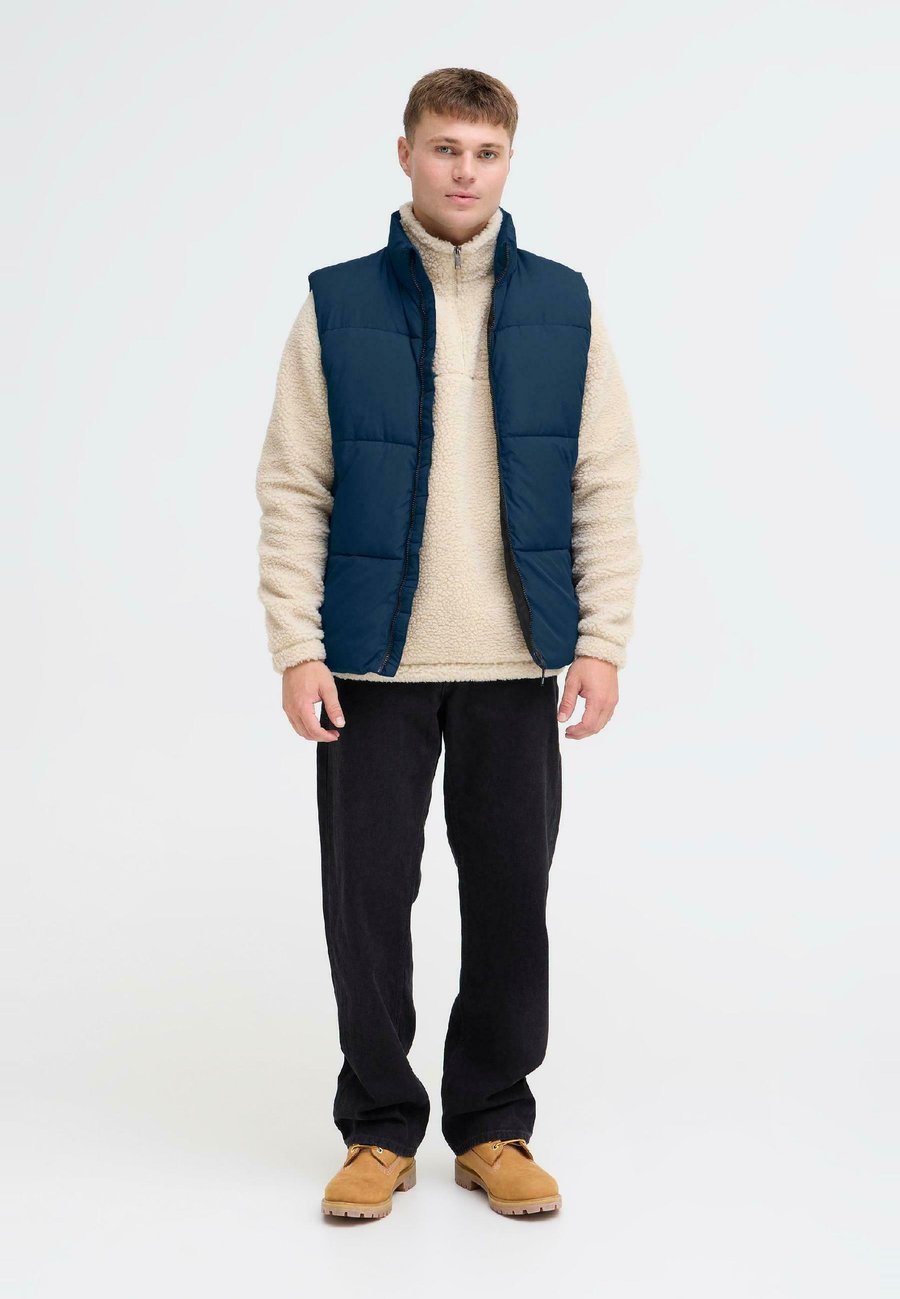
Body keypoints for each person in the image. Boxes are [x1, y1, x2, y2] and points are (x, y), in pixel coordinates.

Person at [255, 67, 642, 1219]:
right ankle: (379, 1129)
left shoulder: (565, 304)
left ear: (508, 160)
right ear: (406, 154)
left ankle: (492, 1125)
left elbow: (603, 483)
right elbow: (294, 483)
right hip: (370, 665)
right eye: (444, 148)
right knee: (367, 902)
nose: (464, 172)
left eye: (485, 152)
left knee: (511, 897)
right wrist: (296, 645)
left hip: (517, 664)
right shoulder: (336, 304)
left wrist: (603, 640)